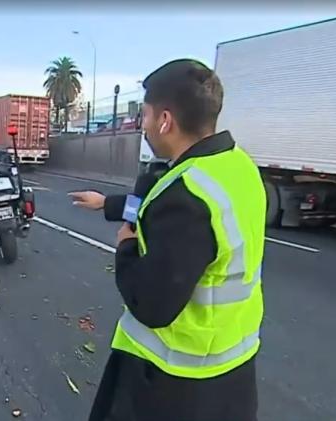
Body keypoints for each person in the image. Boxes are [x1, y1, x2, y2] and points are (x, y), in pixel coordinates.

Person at [77, 59, 265, 421]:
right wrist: (108, 204)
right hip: (234, 370)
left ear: (165, 120)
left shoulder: (186, 193)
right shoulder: (236, 166)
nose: (143, 126)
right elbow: (165, 208)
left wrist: (126, 247)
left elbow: (152, 305)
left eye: (145, 116)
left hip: (174, 385)